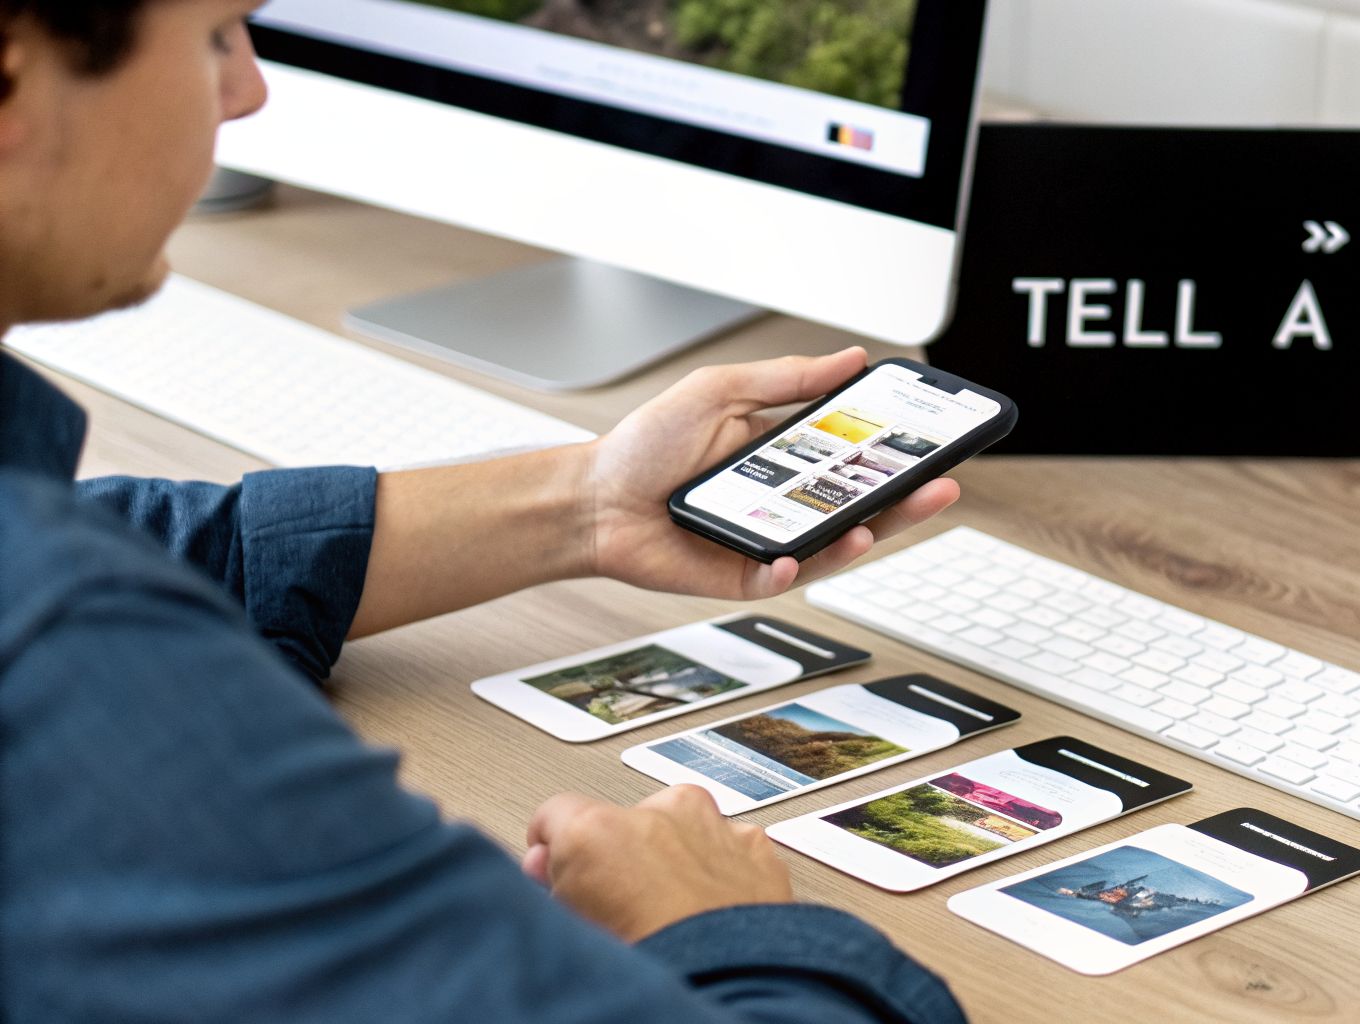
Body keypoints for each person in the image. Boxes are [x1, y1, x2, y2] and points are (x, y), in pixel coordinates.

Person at [0, 1, 969, 1020]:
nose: (249, 90)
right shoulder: (71, 659)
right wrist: (716, 918)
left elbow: (130, 549)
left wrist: (583, 504)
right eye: (214, 36)